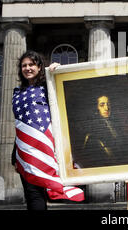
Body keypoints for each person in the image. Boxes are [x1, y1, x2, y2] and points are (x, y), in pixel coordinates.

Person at [11, 50, 84, 210]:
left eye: (31, 64)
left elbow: (69, 90)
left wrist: (59, 70)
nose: (28, 68)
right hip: (25, 151)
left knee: (40, 193)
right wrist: (15, 155)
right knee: (33, 195)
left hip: (46, 147)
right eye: (24, 65)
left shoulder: (48, 86)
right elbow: (20, 124)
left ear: (39, 67)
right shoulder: (18, 93)